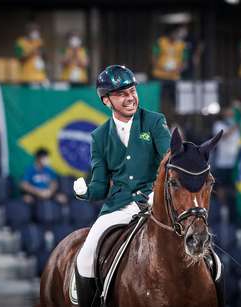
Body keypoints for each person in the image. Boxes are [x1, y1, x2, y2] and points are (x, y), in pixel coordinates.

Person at [72, 65, 171, 306]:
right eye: (121, 94)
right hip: (119, 207)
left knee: (211, 259)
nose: (130, 98)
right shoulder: (99, 136)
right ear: (106, 100)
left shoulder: (154, 122)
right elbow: (99, 185)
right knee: (86, 256)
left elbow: (169, 161)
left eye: (132, 90)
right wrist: (84, 192)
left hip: (154, 202)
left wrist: (156, 195)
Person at [212, 100, 241, 208]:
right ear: (224, 112)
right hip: (223, 162)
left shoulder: (240, 124)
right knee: (222, 187)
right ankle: (222, 209)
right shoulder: (219, 124)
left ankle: (234, 210)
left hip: (236, 164)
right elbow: (224, 136)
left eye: (233, 111)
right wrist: (236, 125)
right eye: (230, 110)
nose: (231, 113)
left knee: (236, 188)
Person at [15, 22, 49, 87]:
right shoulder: (20, 42)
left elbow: (46, 58)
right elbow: (20, 59)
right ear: (27, 31)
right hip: (26, 77)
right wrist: (32, 52)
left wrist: (43, 51)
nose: (36, 33)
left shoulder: (40, 41)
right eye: (34, 30)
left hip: (41, 77)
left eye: (37, 31)